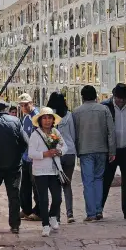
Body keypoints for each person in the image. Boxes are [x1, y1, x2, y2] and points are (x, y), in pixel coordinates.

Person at [72, 85, 116, 222]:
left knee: (88, 182)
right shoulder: (104, 109)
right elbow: (111, 131)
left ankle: (91, 213)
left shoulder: (76, 112)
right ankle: (98, 210)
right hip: (102, 149)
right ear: (96, 96)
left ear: (82, 97)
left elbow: (75, 134)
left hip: (85, 150)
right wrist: (112, 150)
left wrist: (76, 151)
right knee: (99, 180)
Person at [0, 99, 28, 234]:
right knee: (14, 195)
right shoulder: (16, 121)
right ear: (6, 109)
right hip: (14, 166)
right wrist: (18, 155)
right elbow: (25, 142)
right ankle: (15, 224)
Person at [28, 107, 67, 237]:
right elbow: (31, 153)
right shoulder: (35, 135)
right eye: (44, 118)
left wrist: (59, 151)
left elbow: (64, 146)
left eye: (49, 118)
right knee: (43, 199)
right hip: (40, 171)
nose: (47, 120)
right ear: (40, 120)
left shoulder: (55, 132)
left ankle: (52, 216)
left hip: (54, 170)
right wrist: (45, 154)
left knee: (57, 198)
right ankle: (45, 224)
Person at [101, 83, 126, 220]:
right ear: (114, 96)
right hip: (111, 150)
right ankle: (98, 209)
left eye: (123, 99)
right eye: (118, 98)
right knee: (106, 180)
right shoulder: (106, 107)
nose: (120, 101)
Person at [46, 91, 76, 223]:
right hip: (69, 153)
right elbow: (73, 135)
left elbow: (50, 136)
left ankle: (57, 217)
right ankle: (70, 214)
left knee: (56, 186)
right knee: (67, 184)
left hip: (56, 153)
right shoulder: (69, 115)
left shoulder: (49, 117)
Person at [18, 92, 41, 220]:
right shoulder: (26, 118)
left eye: (26, 105)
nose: (24, 107)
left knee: (36, 186)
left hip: (34, 157)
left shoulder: (37, 118)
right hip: (26, 157)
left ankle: (39, 211)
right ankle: (26, 209)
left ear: (31, 103)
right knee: (25, 186)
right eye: (21, 105)